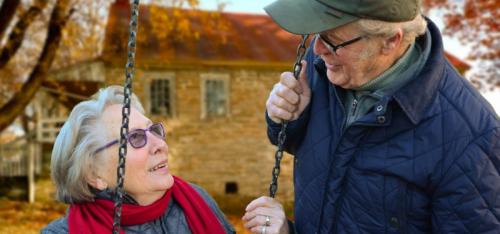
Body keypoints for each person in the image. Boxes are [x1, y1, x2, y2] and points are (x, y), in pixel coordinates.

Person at [243, 0, 500, 233]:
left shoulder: (470, 138)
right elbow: (303, 147)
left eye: (332, 39)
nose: (318, 49)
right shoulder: (325, 66)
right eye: (317, 34)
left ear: (390, 41)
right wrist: (286, 118)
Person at [42, 86, 235, 234]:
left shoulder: (197, 199)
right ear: (94, 174)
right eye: (135, 137)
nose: (159, 144)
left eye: (153, 130)